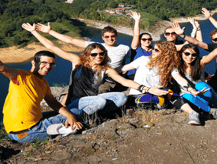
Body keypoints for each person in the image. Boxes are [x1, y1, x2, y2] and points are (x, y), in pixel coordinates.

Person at [22, 23, 167, 116]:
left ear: (105, 54)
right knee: (100, 104)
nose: (98, 56)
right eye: (94, 54)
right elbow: (52, 47)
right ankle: (76, 115)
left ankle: (82, 115)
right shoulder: (78, 61)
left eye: (102, 54)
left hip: (91, 100)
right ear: (88, 54)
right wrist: (35, 32)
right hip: (76, 100)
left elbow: (125, 81)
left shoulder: (106, 69)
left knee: (121, 97)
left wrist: (147, 89)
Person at [0, 32, 83, 143]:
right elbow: (1, 67)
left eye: (51, 64)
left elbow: (53, 102)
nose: (48, 66)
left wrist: (69, 115)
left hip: (24, 126)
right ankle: (58, 130)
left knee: (68, 113)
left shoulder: (43, 83)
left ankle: (57, 128)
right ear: (34, 62)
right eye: (44, 62)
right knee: (78, 112)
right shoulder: (21, 76)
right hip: (26, 132)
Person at [171, 39, 217, 125]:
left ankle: (203, 109)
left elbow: (215, 52)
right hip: (191, 98)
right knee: (185, 95)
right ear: (181, 53)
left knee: (200, 85)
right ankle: (211, 111)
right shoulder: (176, 67)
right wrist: (193, 91)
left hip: (208, 96)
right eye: (187, 53)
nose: (190, 57)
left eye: (193, 55)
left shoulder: (201, 62)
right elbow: (180, 79)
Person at [35, 23, 129, 72]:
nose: (110, 39)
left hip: (111, 74)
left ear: (116, 36)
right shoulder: (96, 46)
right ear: (103, 38)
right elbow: (70, 40)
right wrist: (50, 32)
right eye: (107, 36)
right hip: (95, 72)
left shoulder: (125, 48)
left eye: (112, 36)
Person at [121, 41, 178, 109]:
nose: (153, 51)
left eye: (156, 50)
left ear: (165, 53)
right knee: (149, 101)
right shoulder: (143, 59)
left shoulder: (169, 66)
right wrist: (108, 70)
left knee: (175, 97)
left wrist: (189, 88)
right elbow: (123, 68)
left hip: (156, 93)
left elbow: (179, 78)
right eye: (153, 48)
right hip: (138, 94)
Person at [125, 11, 153, 80]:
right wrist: (137, 21)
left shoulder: (155, 50)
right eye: (144, 39)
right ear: (139, 41)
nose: (147, 41)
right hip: (134, 75)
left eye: (149, 39)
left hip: (148, 75)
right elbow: (136, 35)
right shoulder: (136, 49)